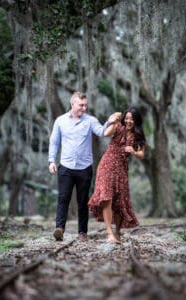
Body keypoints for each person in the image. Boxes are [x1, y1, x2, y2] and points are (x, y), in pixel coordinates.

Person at [48, 91, 119, 242]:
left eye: (85, 105)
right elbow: (54, 142)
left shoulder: (90, 120)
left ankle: (82, 233)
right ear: (72, 104)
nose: (84, 108)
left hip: (84, 168)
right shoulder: (60, 121)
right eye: (81, 105)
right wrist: (52, 161)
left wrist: (111, 121)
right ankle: (59, 229)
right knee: (63, 198)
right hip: (66, 167)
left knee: (82, 201)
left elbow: (101, 132)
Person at [88, 107, 146, 244]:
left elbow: (142, 154)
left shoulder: (138, 136)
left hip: (121, 169)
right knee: (106, 197)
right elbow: (106, 133)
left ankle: (117, 232)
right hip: (107, 165)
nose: (128, 121)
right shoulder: (118, 127)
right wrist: (113, 120)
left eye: (132, 119)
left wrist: (133, 151)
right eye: (127, 118)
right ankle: (109, 234)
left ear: (136, 120)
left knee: (120, 201)